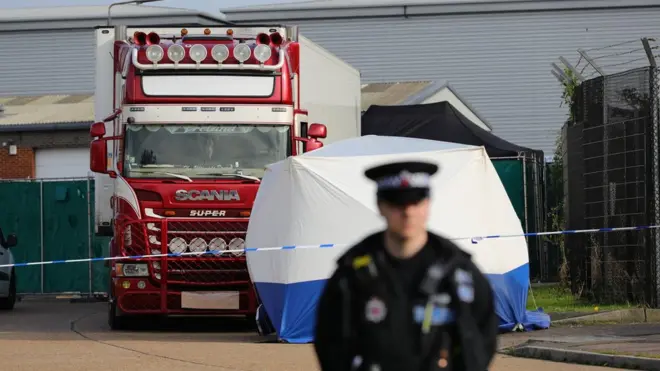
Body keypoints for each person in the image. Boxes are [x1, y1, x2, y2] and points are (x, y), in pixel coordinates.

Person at [313, 161, 499, 371]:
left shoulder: (457, 270)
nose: (408, 212)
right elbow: (329, 342)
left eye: (416, 201)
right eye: (397, 203)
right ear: (380, 206)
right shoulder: (352, 274)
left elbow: (483, 337)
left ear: (428, 204)